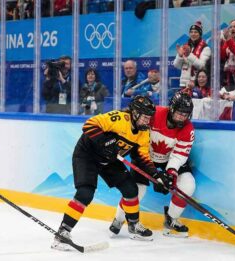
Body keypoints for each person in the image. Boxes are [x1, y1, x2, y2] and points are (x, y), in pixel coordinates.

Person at [52, 96, 163, 250]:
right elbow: (89, 124)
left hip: (109, 160)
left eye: (150, 118)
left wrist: (156, 175)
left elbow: (143, 157)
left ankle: (134, 226)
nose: (147, 121)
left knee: (131, 189)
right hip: (87, 155)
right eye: (145, 117)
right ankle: (63, 233)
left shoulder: (143, 133)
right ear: (135, 113)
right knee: (85, 193)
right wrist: (103, 141)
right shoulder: (119, 119)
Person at [110, 92, 195, 238]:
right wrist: (154, 173)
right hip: (146, 156)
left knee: (188, 185)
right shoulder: (154, 115)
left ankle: (171, 219)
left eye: (186, 114)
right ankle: (119, 219)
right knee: (136, 191)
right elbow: (137, 133)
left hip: (169, 160)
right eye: (180, 113)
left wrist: (171, 174)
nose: (182, 117)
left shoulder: (188, 129)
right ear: (172, 109)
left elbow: (179, 155)